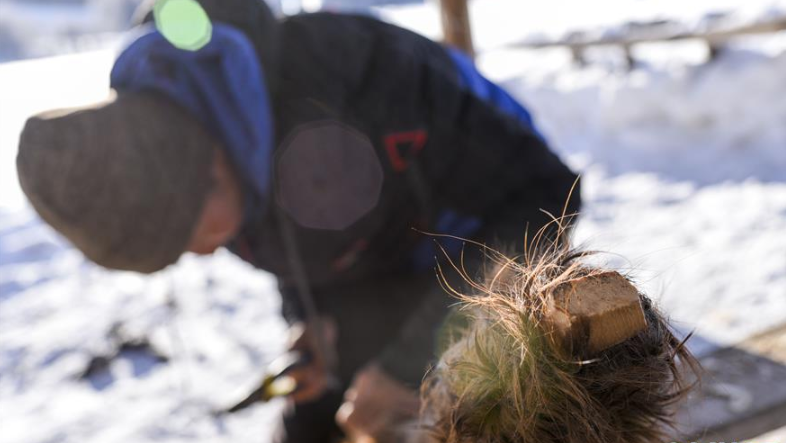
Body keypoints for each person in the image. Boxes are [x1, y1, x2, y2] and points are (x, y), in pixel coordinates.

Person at [15, 0, 580, 441]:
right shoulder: (213, 141)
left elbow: (544, 199)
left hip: (480, 252)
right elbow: (282, 236)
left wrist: (418, 361)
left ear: (211, 165)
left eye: (189, 237)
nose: (206, 254)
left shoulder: (368, 78)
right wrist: (312, 322)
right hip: (379, 265)